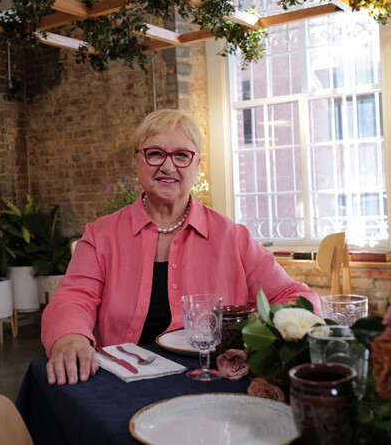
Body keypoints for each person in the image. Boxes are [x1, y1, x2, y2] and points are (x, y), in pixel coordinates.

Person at [41, 109, 321, 385]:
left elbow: (293, 295)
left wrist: (269, 333)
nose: (167, 166)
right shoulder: (101, 234)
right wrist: (70, 336)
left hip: (212, 379)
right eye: (154, 154)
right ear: (137, 160)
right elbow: (74, 297)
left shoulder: (233, 237)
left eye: (181, 156)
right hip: (122, 383)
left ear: (197, 163)